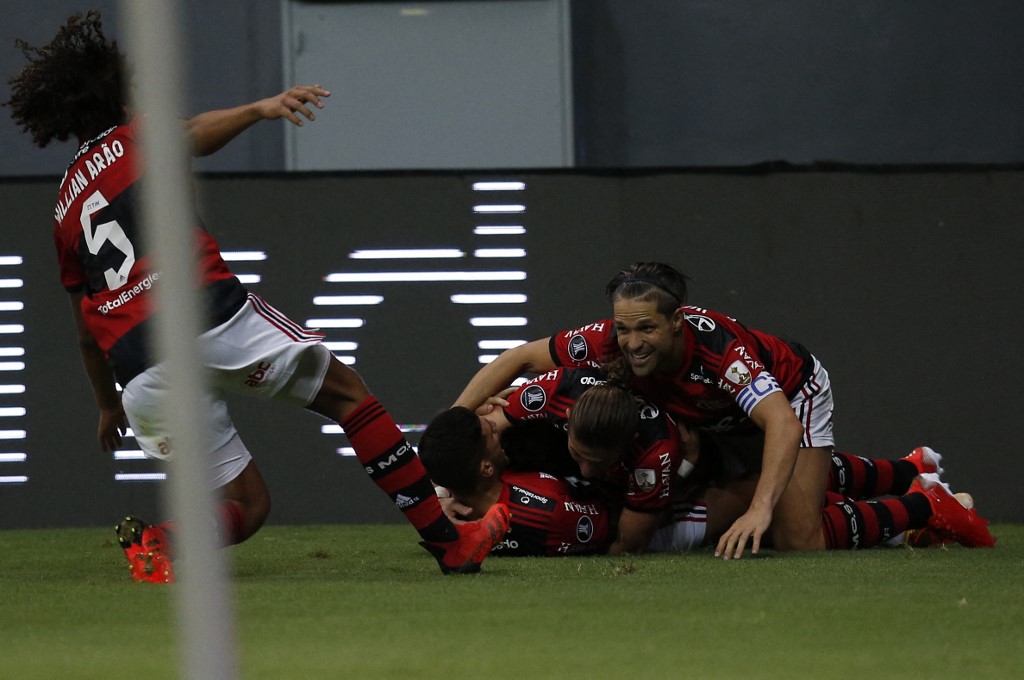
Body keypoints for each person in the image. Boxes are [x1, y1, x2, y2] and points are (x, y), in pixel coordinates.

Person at [5, 11, 509, 582]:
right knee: (350, 399)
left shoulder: (65, 207)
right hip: (202, 317)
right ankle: (450, 543)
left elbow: (83, 333)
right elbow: (191, 134)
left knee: (248, 506)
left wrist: (106, 403)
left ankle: (159, 542)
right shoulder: (136, 136)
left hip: (139, 369)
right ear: (118, 95)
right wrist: (259, 109)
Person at [454, 261, 994, 557]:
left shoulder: (720, 354)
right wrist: (455, 425)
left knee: (796, 536)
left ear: (676, 322)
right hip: (710, 419)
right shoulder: (607, 341)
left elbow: (780, 421)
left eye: (646, 328)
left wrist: (761, 510)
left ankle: (928, 504)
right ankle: (908, 470)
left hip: (793, 394)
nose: (633, 341)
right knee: (761, 482)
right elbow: (519, 357)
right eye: (624, 327)